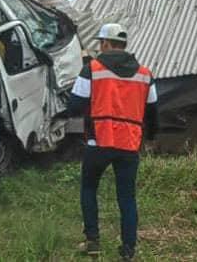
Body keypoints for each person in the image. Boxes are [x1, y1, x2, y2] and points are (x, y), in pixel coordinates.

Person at [70, 23, 158, 261]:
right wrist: (148, 138)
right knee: (127, 197)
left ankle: (93, 243)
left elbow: (75, 105)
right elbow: (152, 112)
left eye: (101, 43)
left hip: (98, 141)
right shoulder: (145, 74)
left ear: (106, 44)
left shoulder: (92, 69)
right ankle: (128, 251)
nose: (100, 48)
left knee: (89, 188)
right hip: (129, 144)